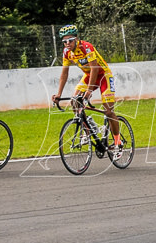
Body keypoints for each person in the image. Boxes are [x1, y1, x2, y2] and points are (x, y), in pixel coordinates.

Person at [51, 24, 123, 158]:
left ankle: (118, 142)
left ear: (76, 39)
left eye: (70, 40)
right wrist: (59, 94)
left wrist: (89, 90)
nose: (67, 43)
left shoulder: (86, 47)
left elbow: (95, 68)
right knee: (74, 101)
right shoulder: (67, 52)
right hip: (89, 76)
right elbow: (64, 74)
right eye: (64, 41)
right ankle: (88, 126)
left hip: (103, 75)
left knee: (108, 110)